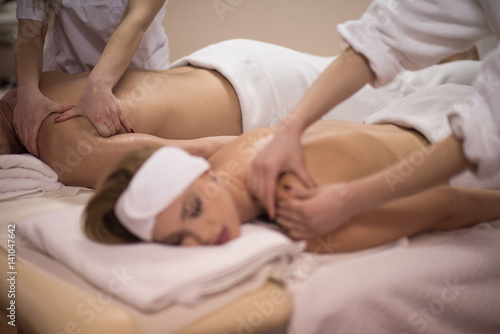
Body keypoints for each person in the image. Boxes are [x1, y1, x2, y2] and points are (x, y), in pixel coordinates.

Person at [0, 40, 481, 187]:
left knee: (391, 106)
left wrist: (270, 148)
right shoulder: (33, 87)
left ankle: (466, 75)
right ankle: (463, 72)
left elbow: (189, 156)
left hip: (256, 95)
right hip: (234, 68)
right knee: (396, 96)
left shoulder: (58, 140)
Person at [247, 0, 500, 239]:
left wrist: (350, 201)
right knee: (449, 81)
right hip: (428, 106)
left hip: (451, 127)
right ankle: (463, 64)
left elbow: (484, 131)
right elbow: (385, 34)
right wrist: (289, 129)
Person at [83, 113, 500, 253]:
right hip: (405, 115)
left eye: (193, 210)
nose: (201, 238)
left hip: (468, 143)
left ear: (201, 174)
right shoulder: (227, 161)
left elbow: (446, 207)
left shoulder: (301, 207)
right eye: (177, 241)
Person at [14, 0, 170, 157]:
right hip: (65, 70)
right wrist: (27, 92)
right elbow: (31, 31)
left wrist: (99, 85)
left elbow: (137, 20)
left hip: (135, 71)